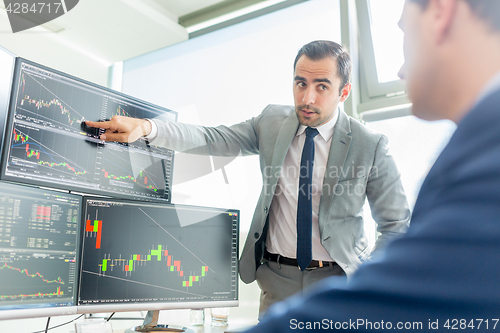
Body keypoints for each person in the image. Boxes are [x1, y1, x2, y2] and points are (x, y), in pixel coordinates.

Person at [231, 0, 500, 331]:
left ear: (441, 14)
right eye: (301, 84)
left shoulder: (487, 147)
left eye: (405, 34)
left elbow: (418, 275)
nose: (401, 71)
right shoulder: (478, 140)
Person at [86, 41, 410, 314]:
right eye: (301, 83)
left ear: (344, 92)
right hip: (276, 278)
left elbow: (395, 224)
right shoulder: (272, 121)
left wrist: (369, 279)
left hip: (338, 280)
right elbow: (213, 138)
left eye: (322, 86)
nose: (307, 98)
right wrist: (148, 128)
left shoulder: (369, 144)